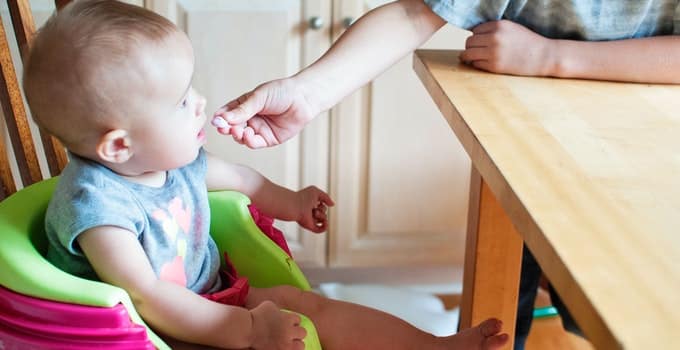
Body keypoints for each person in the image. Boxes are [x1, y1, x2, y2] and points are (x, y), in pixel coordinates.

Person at [23, 1, 509, 349]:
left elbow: (243, 180)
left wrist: (292, 202)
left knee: (309, 306)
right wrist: (248, 331)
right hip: (151, 331)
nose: (199, 103)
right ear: (119, 145)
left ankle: (431, 346)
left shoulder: (169, 161)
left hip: (212, 295)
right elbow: (146, 298)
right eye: (180, 101)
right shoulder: (100, 211)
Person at [211, 0, 680, 349]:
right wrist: (307, 93)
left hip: (638, 173)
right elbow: (415, 14)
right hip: (521, 155)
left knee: (612, 312)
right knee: (505, 302)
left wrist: (550, 57)